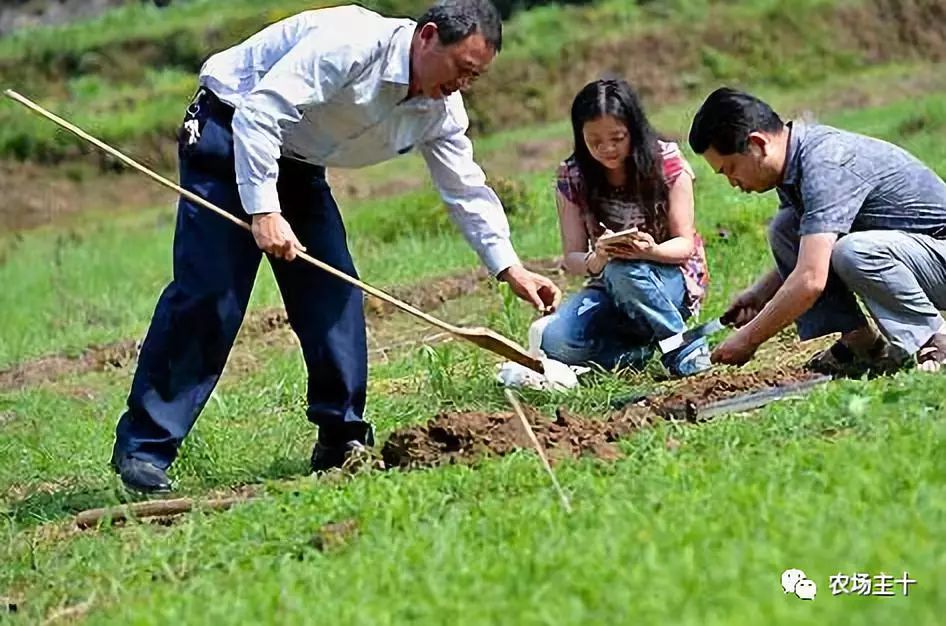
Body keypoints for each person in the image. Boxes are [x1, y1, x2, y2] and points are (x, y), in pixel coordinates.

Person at [110, 0, 562, 493]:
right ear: (428, 37)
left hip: (298, 161)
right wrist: (263, 211)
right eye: (461, 69)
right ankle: (144, 449)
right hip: (229, 127)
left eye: (475, 77)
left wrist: (509, 267)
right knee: (212, 295)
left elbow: (465, 187)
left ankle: (340, 438)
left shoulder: (439, 109)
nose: (462, 85)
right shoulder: (351, 42)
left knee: (333, 289)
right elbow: (261, 112)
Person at [688, 87, 946, 375]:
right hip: (918, 257)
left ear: (757, 144)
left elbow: (810, 279)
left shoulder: (825, 164)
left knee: (854, 252)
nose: (732, 182)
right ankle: (858, 340)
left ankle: (932, 338)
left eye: (730, 168)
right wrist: (759, 294)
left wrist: (749, 338)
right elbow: (812, 249)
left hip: (939, 251)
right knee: (786, 227)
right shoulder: (793, 165)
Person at [539, 78, 712, 378]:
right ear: (581, 137)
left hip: (668, 277)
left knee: (624, 271)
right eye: (595, 141)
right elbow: (573, 258)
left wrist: (652, 250)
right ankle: (638, 352)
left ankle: (684, 348)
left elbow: (685, 244)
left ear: (634, 129)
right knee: (555, 341)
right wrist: (598, 258)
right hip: (609, 283)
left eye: (617, 138)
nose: (607, 149)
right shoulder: (573, 175)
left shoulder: (666, 162)